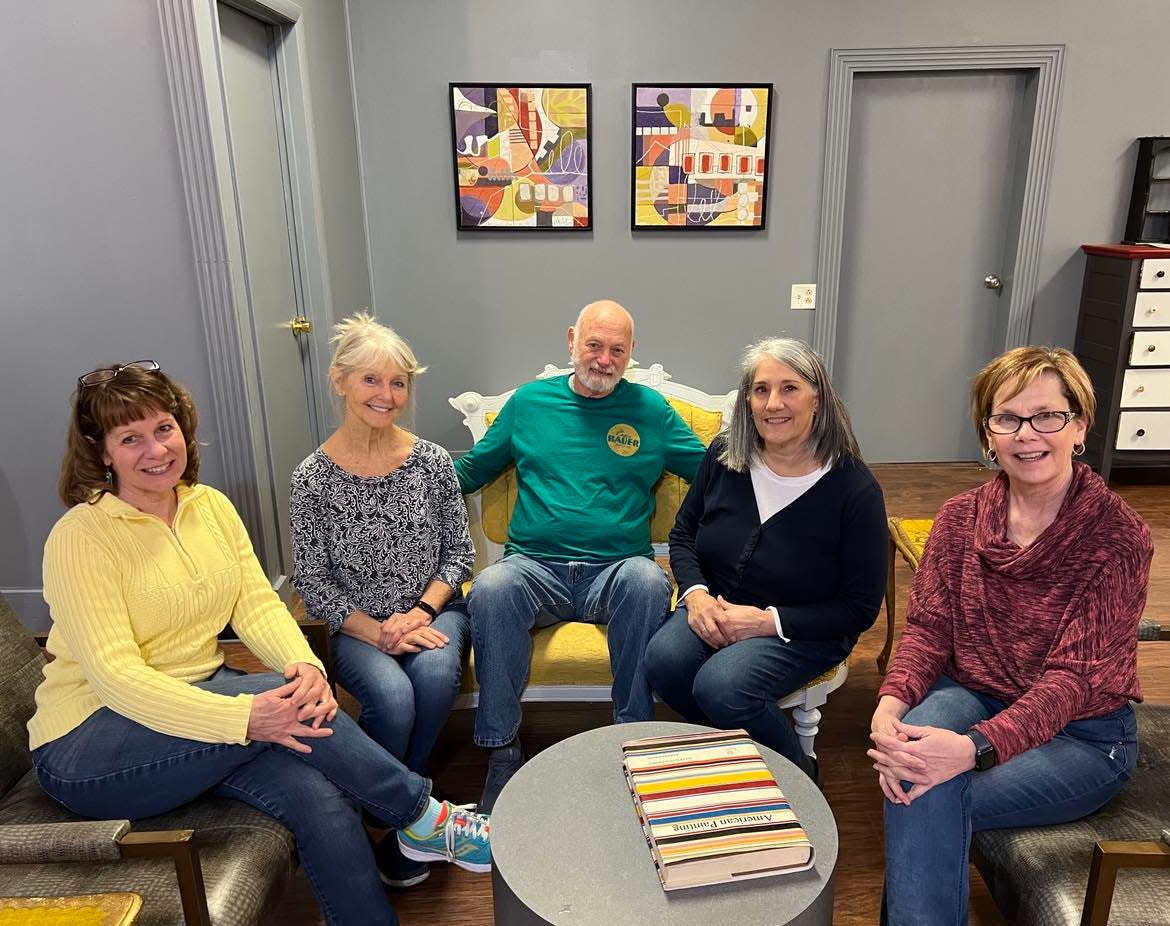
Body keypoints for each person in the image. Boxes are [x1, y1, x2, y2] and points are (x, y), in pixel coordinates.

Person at [30, 361, 490, 926]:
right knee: (283, 700)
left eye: (164, 428)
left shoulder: (210, 507)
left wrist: (304, 664)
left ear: (183, 428)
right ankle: (424, 817)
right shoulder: (81, 537)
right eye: (131, 438)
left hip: (199, 705)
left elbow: (255, 603)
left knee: (318, 795)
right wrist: (246, 717)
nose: (155, 449)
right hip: (91, 740)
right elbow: (117, 678)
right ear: (101, 452)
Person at [870, 346, 1152, 925]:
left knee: (928, 787)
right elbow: (928, 630)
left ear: (1079, 426)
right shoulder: (958, 517)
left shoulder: (1118, 538)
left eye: (1048, 415)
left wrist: (972, 749)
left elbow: (1072, 682)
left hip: (1084, 735)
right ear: (987, 432)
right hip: (979, 692)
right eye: (1008, 418)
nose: (1028, 435)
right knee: (908, 760)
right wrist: (890, 703)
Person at [455, 299, 706, 810]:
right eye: (594, 345)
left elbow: (711, 475)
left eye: (617, 349)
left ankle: (631, 740)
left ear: (631, 353)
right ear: (571, 340)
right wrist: (391, 482)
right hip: (534, 569)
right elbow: (469, 472)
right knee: (491, 586)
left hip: (616, 572)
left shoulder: (652, 412)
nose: (604, 359)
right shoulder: (528, 404)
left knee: (648, 580)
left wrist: (779, 482)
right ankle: (501, 750)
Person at [644, 337, 887, 782]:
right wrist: (696, 596)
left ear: (818, 398)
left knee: (722, 686)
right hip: (717, 604)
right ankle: (735, 757)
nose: (773, 403)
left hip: (805, 626)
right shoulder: (724, 456)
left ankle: (796, 772)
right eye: (760, 390)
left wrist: (763, 622)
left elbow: (859, 609)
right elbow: (683, 535)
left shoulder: (854, 490)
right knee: (663, 660)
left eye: (789, 388)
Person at [290, 313, 473, 887]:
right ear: (339, 382)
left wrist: (418, 613)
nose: (386, 395)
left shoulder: (433, 463)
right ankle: (408, 811)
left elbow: (459, 555)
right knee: (393, 698)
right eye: (371, 380)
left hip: (433, 610)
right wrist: (378, 631)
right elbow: (312, 580)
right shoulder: (311, 478)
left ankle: (394, 811)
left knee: (436, 678)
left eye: (398, 383)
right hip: (354, 627)